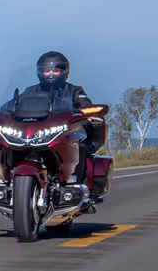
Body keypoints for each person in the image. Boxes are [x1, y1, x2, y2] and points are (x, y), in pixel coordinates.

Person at [13, 51, 103, 182]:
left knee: (79, 143)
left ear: (64, 72)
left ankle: (78, 181)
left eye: (55, 70)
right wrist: (0, 113)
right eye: (46, 70)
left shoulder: (74, 90)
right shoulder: (30, 91)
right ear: (40, 72)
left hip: (63, 131)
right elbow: (14, 104)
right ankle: (11, 177)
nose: (50, 74)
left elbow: (84, 103)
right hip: (36, 133)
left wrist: (88, 112)